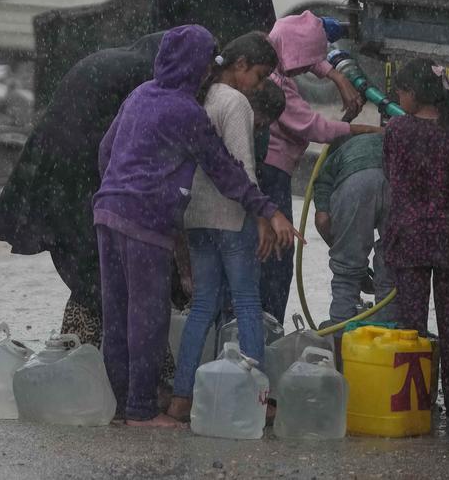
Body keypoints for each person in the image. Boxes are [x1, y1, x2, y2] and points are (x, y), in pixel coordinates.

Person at [93, 25, 297, 427]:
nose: (209, 71)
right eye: (207, 62)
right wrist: (268, 209)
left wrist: (116, 188)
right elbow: (226, 171)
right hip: (145, 222)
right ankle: (141, 411)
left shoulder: (141, 93)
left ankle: (120, 406)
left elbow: (105, 148)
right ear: (196, 65)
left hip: (107, 212)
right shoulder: (186, 110)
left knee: (116, 315)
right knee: (147, 318)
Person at [0, 32, 164, 347]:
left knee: (89, 264)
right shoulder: (146, 77)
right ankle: (99, 360)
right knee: (99, 268)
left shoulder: (121, 60)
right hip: (78, 171)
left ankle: (80, 353)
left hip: (57, 165)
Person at [166, 32, 282, 423]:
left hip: (195, 217)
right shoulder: (235, 103)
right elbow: (243, 167)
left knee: (202, 306)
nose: (260, 86)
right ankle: (257, 400)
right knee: (248, 302)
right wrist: (264, 217)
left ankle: (182, 397)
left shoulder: (201, 96)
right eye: (261, 76)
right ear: (241, 65)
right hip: (233, 218)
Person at [260, 11, 379, 322]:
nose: (306, 71)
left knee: (274, 252)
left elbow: (305, 48)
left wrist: (335, 75)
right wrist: (364, 129)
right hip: (272, 174)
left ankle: (260, 325)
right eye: (305, 63)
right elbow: (315, 128)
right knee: (277, 253)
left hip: (273, 170)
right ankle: (265, 324)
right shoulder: (276, 83)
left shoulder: (273, 48)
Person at [383, 59, 449, 419]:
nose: (399, 98)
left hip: (409, 238)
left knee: (412, 328)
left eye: (402, 92)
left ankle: (415, 402)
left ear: (415, 94)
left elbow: (390, 175)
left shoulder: (396, 131)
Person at [312, 132, 394, 327]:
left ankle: (341, 332)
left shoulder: (333, 159)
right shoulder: (385, 141)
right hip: (394, 182)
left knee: (345, 273)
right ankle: (388, 331)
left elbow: (323, 221)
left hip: (355, 184)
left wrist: (351, 265)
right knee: (392, 268)